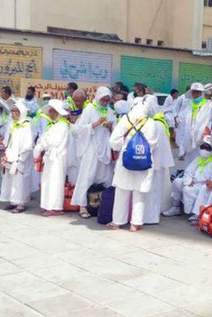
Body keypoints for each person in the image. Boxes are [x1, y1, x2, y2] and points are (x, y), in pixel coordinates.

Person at [106, 101, 158, 232]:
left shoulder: (125, 119)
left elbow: (114, 141)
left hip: (126, 160)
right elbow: (153, 143)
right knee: (139, 192)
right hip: (144, 161)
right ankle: (136, 223)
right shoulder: (151, 123)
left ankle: (117, 221)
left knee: (122, 191)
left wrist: (123, 147)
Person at [70, 86, 116, 219]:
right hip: (91, 149)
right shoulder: (89, 110)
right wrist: (94, 124)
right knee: (87, 176)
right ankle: (82, 206)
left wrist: (111, 126)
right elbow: (76, 130)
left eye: (108, 100)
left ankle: (101, 205)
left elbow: (116, 129)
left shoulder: (110, 111)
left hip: (105, 149)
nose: (105, 102)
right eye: (103, 99)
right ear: (98, 97)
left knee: (105, 178)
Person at [163, 137, 212, 219]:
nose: (204, 150)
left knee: (188, 190)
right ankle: (176, 207)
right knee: (177, 182)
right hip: (192, 182)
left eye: (207, 147)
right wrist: (188, 181)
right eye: (203, 147)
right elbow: (188, 171)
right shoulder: (199, 158)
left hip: (203, 185)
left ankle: (195, 213)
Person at [33, 99, 70, 217]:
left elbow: (53, 141)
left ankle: (56, 207)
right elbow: (43, 138)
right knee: (47, 181)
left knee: (55, 182)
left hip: (57, 158)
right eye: (50, 111)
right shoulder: (52, 125)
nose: (51, 114)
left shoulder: (62, 125)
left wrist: (43, 143)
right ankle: (48, 205)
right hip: (49, 157)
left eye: (54, 112)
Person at [144, 97, 175, 224]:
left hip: (155, 163)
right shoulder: (159, 121)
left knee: (153, 190)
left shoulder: (155, 123)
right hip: (158, 162)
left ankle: (150, 216)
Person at [0, 101, 33, 214]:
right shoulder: (12, 125)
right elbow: (7, 141)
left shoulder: (26, 126)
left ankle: (21, 203)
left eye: (16, 111)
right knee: (9, 180)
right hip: (10, 156)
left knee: (20, 181)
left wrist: (20, 158)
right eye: (12, 111)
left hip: (20, 158)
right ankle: (12, 201)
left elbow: (28, 145)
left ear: (22, 112)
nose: (13, 113)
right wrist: (6, 154)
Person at [184, 83, 212, 163]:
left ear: (202, 93)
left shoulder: (210, 106)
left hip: (204, 140)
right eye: (194, 92)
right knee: (189, 163)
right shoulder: (189, 105)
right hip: (190, 140)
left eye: (198, 92)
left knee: (201, 162)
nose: (195, 94)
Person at [174, 86, 192, 161]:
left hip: (191, 120)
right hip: (181, 120)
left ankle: (186, 151)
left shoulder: (194, 99)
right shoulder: (181, 98)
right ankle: (181, 152)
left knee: (188, 135)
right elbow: (175, 109)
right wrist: (175, 118)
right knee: (181, 136)